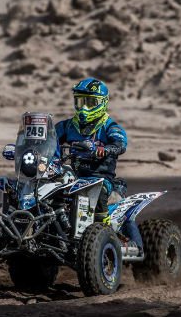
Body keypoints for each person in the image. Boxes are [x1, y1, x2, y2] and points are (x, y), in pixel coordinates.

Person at [55, 77, 144, 257]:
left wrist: (103, 149)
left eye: (90, 102)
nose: (84, 108)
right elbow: (49, 138)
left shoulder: (109, 126)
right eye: (80, 101)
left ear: (102, 103)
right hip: (73, 177)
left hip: (101, 178)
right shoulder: (67, 126)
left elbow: (120, 144)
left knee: (99, 191)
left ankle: (104, 232)